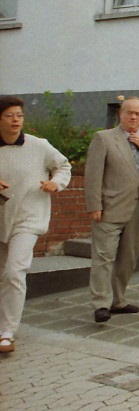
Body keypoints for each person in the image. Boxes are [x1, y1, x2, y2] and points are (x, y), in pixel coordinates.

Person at [85, 97, 139, 324]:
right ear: (120, 114)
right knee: (104, 257)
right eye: (129, 113)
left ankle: (118, 300)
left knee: (128, 258)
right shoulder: (104, 138)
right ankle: (100, 303)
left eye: (138, 114)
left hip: (138, 207)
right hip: (110, 207)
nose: (133, 117)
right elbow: (93, 175)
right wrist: (94, 205)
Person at [0, 96, 72, 354]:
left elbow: (63, 166)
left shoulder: (38, 146)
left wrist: (56, 182)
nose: (16, 120)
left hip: (29, 219)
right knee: (2, 275)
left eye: (19, 115)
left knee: (14, 272)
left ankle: (7, 332)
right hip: (1, 219)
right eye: (10, 115)